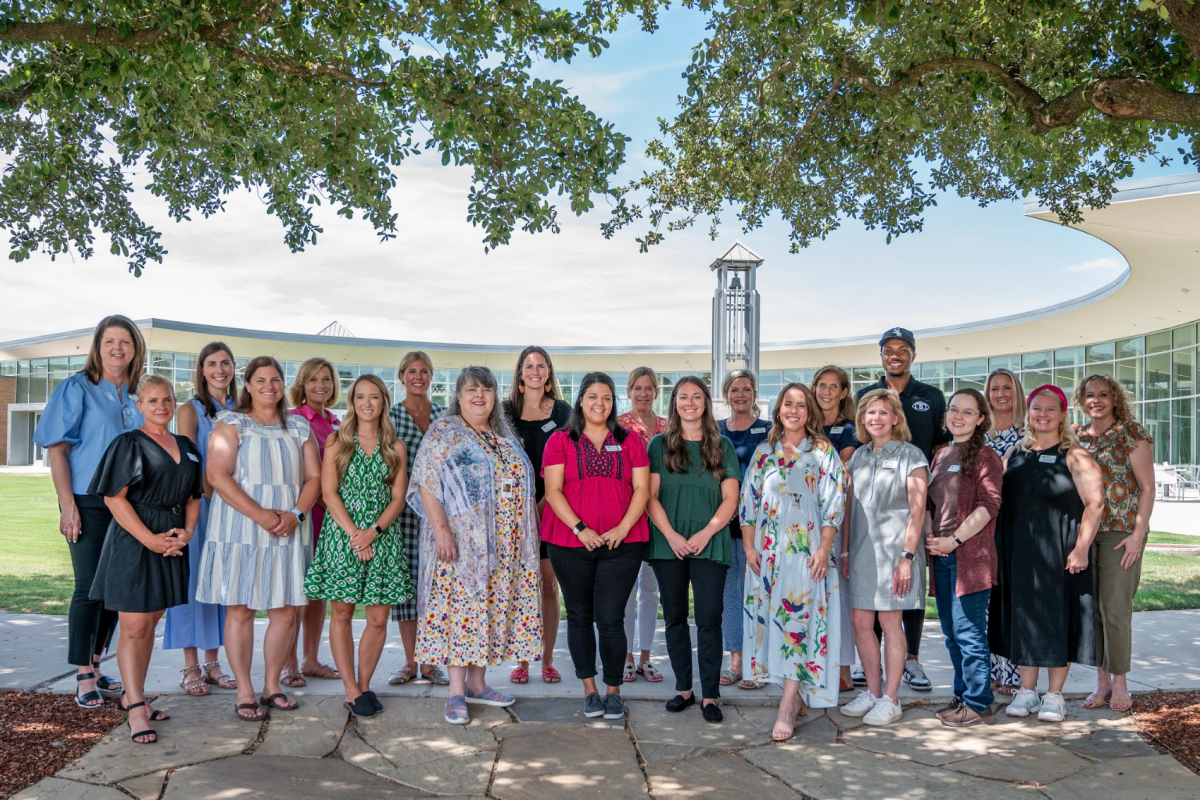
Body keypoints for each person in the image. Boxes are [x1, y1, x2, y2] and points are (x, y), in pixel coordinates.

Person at [409, 366, 541, 725]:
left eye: (485, 389)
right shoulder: (445, 432)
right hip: (461, 545)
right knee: (459, 612)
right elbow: (426, 481)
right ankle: (455, 691)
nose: (479, 395)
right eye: (471, 389)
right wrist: (442, 532)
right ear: (459, 395)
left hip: (503, 548)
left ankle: (479, 684)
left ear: (495, 395)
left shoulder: (503, 434)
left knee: (488, 609)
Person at [196, 356, 322, 721]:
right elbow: (218, 476)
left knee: (285, 610)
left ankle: (271, 686)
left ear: (283, 385)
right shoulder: (230, 424)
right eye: (261, 379)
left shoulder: (298, 427)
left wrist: (296, 514)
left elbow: (313, 478)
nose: (269, 385)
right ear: (247, 385)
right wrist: (262, 515)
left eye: (276, 379)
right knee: (241, 609)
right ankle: (245, 691)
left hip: (289, 526)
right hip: (240, 528)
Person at [34, 314, 145, 709]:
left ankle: (97, 664)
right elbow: (58, 450)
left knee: (114, 592)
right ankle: (82, 673)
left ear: (135, 349)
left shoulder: (138, 396)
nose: (118, 348)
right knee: (87, 588)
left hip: (129, 506)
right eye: (110, 341)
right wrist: (68, 506)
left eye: (126, 342)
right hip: (87, 500)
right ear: (98, 346)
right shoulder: (76, 389)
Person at [87, 374, 201, 743]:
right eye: (152, 401)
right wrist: (149, 540)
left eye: (167, 400)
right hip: (135, 539)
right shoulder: (128, 443)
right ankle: (136, 707)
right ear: (140, 406)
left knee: (150, 624)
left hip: (172, 539)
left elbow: (194, 497)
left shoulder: (186, 445)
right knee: (134, 626)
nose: (161, 407)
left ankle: (134, 696)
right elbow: (114, 498)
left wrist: (187, 532)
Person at [740, 383, 847, 741]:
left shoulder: (823, 452)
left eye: (801, 405)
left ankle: (786, 704)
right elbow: (748, 505)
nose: (794, 410)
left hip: (808, 554)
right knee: (775, 624)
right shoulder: (762, 452)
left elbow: (835, 505)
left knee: (798, 624)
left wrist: (824, 548)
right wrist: (750, 548)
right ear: (779, 409)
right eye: (788, 403)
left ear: (809, 411)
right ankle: (794, 689)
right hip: (768, 556)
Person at [542, 372, 651, 720]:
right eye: (592, 396)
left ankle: (613, 691)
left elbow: (642, 490)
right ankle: (589, 691)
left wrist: (622, 526)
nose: (599, 404)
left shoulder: (630, 440)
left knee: (611, 618)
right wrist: (580, 529)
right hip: (570, 542)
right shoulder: (560, 441)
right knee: (579, 615)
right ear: (581, 401)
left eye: (605, 397)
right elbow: (553, 491)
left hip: (624, 541)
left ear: (613, 402)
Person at [304, 375, 414, 717]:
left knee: (379, 618)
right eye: (360, 397)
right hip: (343, 536)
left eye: (375, 397)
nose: (367, 404)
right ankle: (350, 688)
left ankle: (365, 684)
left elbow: (398, 498)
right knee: (342, 613)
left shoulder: (395, 446)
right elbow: (328, 493)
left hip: (383, 536)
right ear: (352, 402)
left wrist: (374, 532)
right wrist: (356, 534)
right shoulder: (338, 441)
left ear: (384, 402)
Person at [993, 385, 1104, 723]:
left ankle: (1054, 695)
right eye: (1036, 409)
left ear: (1062, 415)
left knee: (1057, 618)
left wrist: (1081, 548)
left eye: (1049, 409)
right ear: (1028, 413)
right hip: (1019, 549)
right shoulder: (1016, 452)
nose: (1042, 415)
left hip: (1060, 549)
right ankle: (1027, 692)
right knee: (1024, 616)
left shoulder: (1075, 455)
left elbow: (1095, 504)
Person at [854, 327, 947, 692]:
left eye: (903, 349)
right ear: (881, 355)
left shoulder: (931, 396)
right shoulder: (865, 395)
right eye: (888, 349)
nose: (895, 354)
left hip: (913, 500)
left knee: (908, 591)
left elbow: (940, 449)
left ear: (913, 354)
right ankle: (873, 666)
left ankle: (911, 661)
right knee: (871, 598)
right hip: (871, 507)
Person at [646, 376, 741, 723]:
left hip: (710, 541)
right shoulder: (659, 445)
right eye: (683, 397)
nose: (690, 402)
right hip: (668, 542)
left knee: (708, 618)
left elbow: (731, 497)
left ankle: (710, 695)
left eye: (696, 396)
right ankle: (684, 688)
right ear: (675, 403)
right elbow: (650, 497)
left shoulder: (722, 446)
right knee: (673, 616)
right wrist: (670, 535)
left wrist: (706, 533)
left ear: (706, 403)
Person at [840, 389, 928, 727]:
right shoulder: (857, 457)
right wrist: (845, 550)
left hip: (896, 553)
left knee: (891, 623)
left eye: (882, 412)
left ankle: (892, 699)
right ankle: (874, 693)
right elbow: (847, 511)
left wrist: (906, 557)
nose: (875, 418)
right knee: (861, 624)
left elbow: (918, 511)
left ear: (895, 418)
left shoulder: (912, 455)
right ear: (862, 419)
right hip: (861, 552)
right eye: (869, 413)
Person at [1074, 374, 1154, 714]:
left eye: (1103, 395)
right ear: (1081, 400)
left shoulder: (1132, 434)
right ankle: (1102, 683)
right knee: (1093, 611)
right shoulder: (1076, 438)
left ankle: (1121, 684)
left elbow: (1147, 489)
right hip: (1085, 533)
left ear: (1115, 399)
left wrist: (1138, 534)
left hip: (1122, 533)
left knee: (1115, 610)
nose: (1096, 400)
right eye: (1090, 395)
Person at [924, 389, 1002, 727]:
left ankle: (979, 701)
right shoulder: (940, 454)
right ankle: (961, 697)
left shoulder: (986, 456)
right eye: (954, 410)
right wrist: (932, 539)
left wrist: (953, 541)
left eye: (968, 412)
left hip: (968, 557)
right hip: (941, 556)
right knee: (952, 633)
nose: (958, 416)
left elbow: (989, 506)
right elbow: (930, 503)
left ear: (981, 418)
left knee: (970, 633)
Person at [164, 342, 238, 696]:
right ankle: (190, 665)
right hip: (203, 506)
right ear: (202, 369)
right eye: (212, 363)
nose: (219, 369)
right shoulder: (190, 410)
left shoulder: (243, 409)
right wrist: (212, 494)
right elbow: (188, 462)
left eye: (225, 363)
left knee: (224, 586)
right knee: (193, 584)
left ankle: (213, 662)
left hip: (237, 509)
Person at [502, 346, 569, 685]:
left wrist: (539, 508)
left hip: (551, 511)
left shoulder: (562, 413)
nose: (535, 370)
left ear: (548, 372)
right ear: (520, 373)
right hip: (510, 518)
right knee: (517, 588)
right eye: (529, 365)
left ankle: (546, 659)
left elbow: (568, 466)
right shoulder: (503, 413)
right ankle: (522, 661)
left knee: (547, 585)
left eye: (541, 365)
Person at [388, 351, 450, 687]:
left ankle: (430, 663)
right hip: (403, 513)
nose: (418, 377)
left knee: (435, 586)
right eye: (412, 371)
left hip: (438, 511)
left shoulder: (443, 415)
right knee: (407, 588)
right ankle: (412, 662)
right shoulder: (391, 416)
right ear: (401, 376)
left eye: (424, 371)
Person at [281, 358, 342, 688]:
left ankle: (311, 659)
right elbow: (299, 474)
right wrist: (323, 502)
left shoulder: (335, 423)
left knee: (317, 593)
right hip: (305, 515)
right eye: (314, 379)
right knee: (296, 593)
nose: (321, 384)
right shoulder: (293, 420)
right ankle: (288, 664)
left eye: (327, 379)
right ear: (302, 384)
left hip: (330, 520)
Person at [717, 369, 770, 691]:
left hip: (762, 526)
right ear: (726, 394)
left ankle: (759, 662)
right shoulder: (716, 430)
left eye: (747, 389)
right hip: (724, 524)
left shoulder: (769, 431)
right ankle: (736, 660)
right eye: (735, 389)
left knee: (760, 593)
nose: (741, 395)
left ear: (754, 394)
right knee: (731, 593)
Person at [617, 367, 667, 683]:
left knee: (651, 590)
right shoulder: (619, 425)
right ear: (630, 390)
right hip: (627, 516)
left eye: (649, 388)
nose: (644, 393)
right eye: (638, 387)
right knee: (626, 589)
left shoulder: (667, 426)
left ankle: (646, 657)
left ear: (656, 392)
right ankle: (626, 657)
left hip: (658, 517)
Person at [812, 365, 860, 692]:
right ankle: (814, 663)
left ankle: (844, 667)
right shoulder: (806, 425)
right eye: (821, 385)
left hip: (838, 519)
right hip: (804, 520)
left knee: (839, 596)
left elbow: (843, 474)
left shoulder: (848, 430)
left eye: (834, 387)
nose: (826, 392)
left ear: (844, 392)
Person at [983, 367, 1025, 696]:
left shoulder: (1028, 433)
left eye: (1007, 388)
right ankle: (990, 670)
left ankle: (1012, 673)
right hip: (981, 527)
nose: (1001, 394)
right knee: (987, 601)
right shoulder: (978, 433)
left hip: (1014, 525)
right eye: (995, 388)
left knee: (1010, 599)